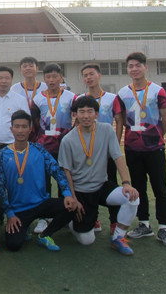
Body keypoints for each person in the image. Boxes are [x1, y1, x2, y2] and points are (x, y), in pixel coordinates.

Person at [58, 96, 140, 255]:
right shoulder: (67, 140)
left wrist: (126, 183)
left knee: (132, 198)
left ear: (96, 114)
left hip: (102, 186)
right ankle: (72, 222)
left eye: (90, 111)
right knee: (87, 240)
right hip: (81, 191)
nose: (86, 116)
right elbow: (66, 172)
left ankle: (118, 238)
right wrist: (74, 198)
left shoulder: (106, 130)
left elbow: (117, 157)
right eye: (82, 112)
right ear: (75, 115)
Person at [0, 111, 77, 252]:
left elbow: (57, 172)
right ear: (11, 129)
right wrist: (10, 214)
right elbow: (0, 187)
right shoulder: (2, 155)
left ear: (30, 129)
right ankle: (24, 229)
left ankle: (45, 235)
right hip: (18, 209)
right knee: (13, 245)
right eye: (17, 127)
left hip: (41, 203)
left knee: (71, 207)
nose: (20, 130)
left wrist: (68, 194)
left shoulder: (39, 150)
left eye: (24, 126)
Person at [116, 52, 166, 246]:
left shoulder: (158, 91)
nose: (134, 69)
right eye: (131, 66)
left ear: (145, 67)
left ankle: (164, 227)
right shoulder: (123, 93)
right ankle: (144, 224)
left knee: (160, 188)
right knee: (138, 188)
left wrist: (155, 137)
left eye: (138, 65)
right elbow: (120, 119)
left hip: (154, 149)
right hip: (133, 149)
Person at [31, 63, 75, 233]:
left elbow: (77, 117)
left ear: (61, 77)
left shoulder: (71, 97)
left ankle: (64, 215)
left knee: (64, 180)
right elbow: (35, 122)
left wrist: (70, 135)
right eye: (48, 77)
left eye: (55, 76)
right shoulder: (38, 99)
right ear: (44, 79)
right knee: (44, 183)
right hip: (44, 148)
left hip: (64, 147)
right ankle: (44, 217)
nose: (51, 80)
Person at [79, 63, 123, 234]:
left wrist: (115, 145)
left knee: (111, 183)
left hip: (106, 152)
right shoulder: (80, 99)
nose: (88, 78)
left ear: (99, 75)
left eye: (91, 74)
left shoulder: (112, 98)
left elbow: (119, 121)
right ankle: (94, 218)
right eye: (85, 75)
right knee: (89, 184)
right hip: (88, 152)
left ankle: (114, 221)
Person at [0, 66, 30, 163]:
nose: (3, 81)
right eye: (0, 78)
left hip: (13, 146)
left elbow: (28, 122)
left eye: (7, 78)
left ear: (11, 80)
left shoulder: (20, 100)